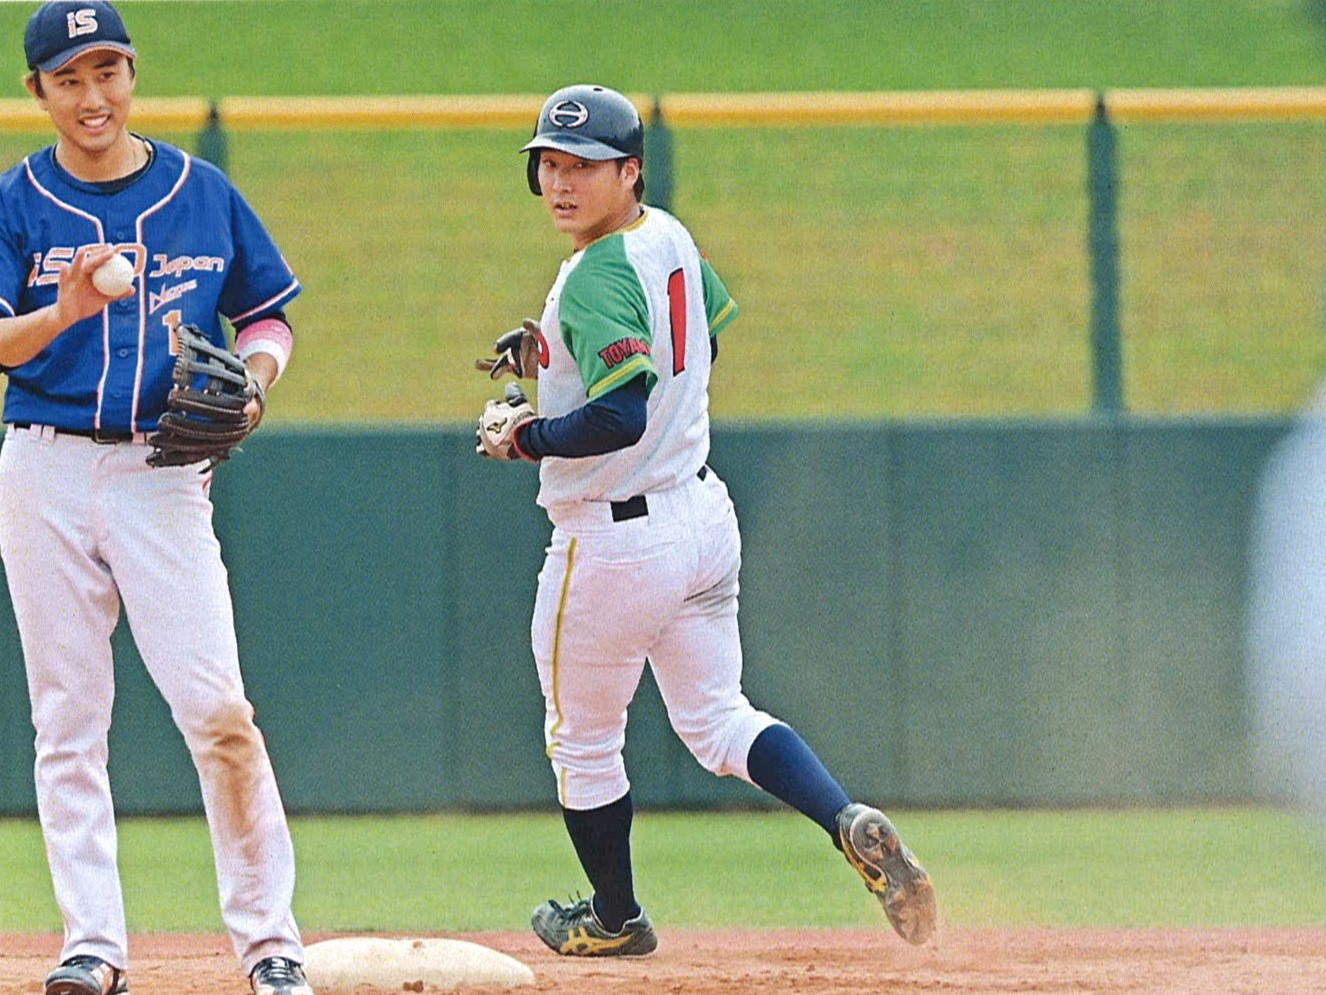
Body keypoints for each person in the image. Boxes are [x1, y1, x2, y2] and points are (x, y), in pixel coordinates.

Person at [474, 83, 937, 957]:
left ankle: (615, 918)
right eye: (550, 163)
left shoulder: (593, 272)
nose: (563, 181)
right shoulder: (668, 236)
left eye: (586, 165)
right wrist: (558, 351)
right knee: (720, 717)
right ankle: (844, 816)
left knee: (582, 743)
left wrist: (524, 433)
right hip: (699, 516)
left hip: (615, 541)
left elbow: (621, 415)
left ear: (630, 170)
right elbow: (699, 341)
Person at [0, 4, 312, 995]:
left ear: (132, 74)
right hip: (43, 465)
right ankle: (92, 943)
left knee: (217, 706)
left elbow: (267, 314)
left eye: (109, 71)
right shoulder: (16, 200)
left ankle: (270, 941)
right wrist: (68, 308)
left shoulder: (200, 193)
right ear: (37, 92)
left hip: (163, 472)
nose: (93, 97)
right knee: (67, 717)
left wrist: (257, 379)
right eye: (70, 78)